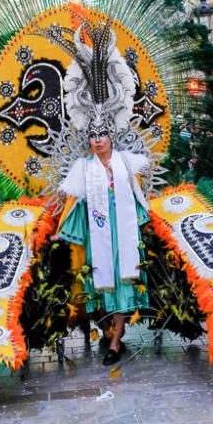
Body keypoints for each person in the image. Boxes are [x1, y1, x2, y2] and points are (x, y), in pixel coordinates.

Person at [57, 119, 150, 366]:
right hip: (98, 236)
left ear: (112, 137)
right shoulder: (83, 168)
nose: (98, 139)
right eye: (92, 135)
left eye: (103, 134)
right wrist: (60, 230)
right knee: (100, 284)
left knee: (122, 285)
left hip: (125, 234)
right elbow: (74, 203)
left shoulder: (126, 163)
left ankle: (115, 342)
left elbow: (138, 196)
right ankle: (110, 330)